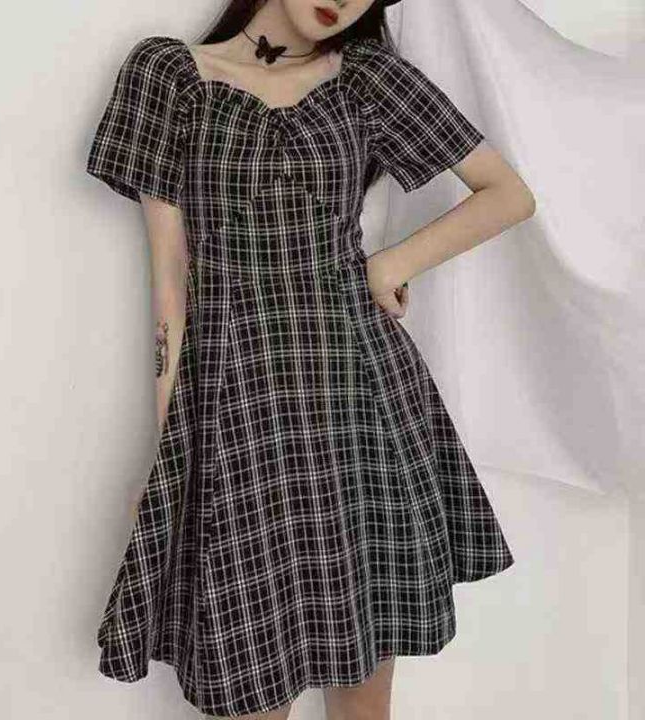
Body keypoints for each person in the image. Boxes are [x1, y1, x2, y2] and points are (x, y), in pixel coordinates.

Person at [85, 1, 533, 718]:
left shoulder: (369, 80)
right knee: (249, 679)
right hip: (238, 407)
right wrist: (168, 454)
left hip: (359, 407)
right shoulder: (169, 75)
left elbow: (508, 194)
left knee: (363, 697)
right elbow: (170, 283)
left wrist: (392, 263)